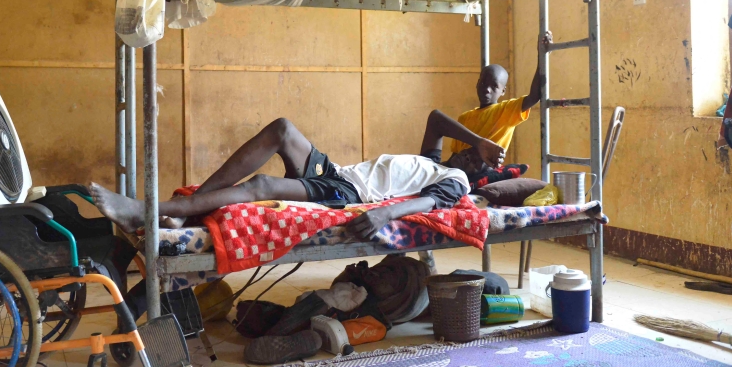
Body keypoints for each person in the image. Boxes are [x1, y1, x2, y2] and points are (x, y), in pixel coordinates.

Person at [90, 115, 505, 241]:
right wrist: (478, 138)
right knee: (283, 129)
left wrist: (383, 216)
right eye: (471, 150)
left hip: (346, 195)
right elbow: (433, 120)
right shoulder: (434, 160)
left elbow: (428, 205)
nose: (472, 153)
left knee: (263, 187)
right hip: (338, 172)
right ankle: (184, 211)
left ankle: (146, 211)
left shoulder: (457, 182)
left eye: (479, 158)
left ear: (479, 174)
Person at [420, 31, 552, 180]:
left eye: (494, 86)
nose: (487, 89)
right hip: (452, 168)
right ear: (477, 84)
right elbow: (455, 156)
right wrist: (443, 169)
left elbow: (535, 96)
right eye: (483, 83)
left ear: (503, 91)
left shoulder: (506, 111)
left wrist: (541, 56)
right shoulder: (465, 118)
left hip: (471, 172)